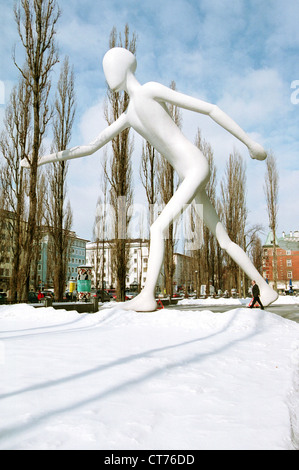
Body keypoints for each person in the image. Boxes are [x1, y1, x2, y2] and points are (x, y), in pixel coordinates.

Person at [21, 47, 278, 312]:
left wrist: (250, 143)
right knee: (223, 239)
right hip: (187, 172)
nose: (107, 74)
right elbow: (90, 146)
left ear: (122, 67)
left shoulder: (150, 90)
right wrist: (40, 160)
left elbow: (210, 109)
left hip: (195, 165)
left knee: (157, 228)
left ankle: (146, 295)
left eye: (109, 66)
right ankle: (265, 288)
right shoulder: (129, 114)